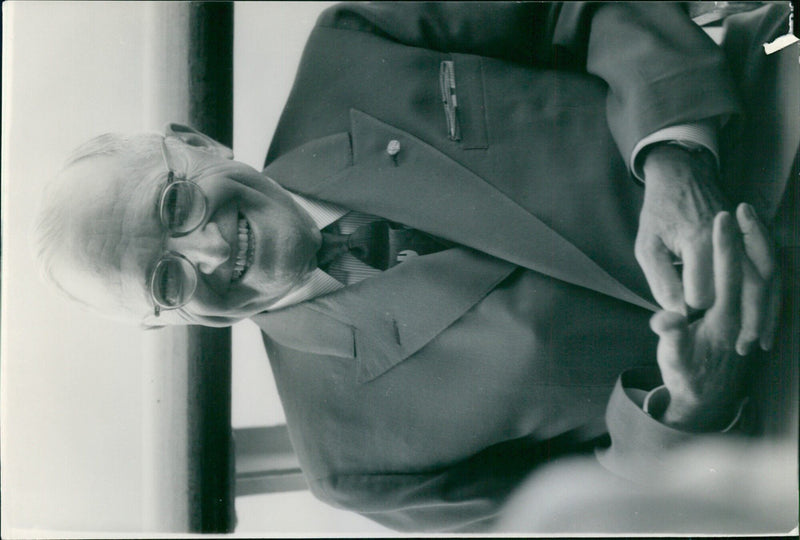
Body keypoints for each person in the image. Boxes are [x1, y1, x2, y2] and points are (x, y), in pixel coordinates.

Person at [34, 2, 797, 532]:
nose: (206, 251)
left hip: (775, 113)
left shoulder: (352, 41)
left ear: (193, 140)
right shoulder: (352, 467)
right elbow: (591, 514)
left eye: (172, 206)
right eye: (165, 279)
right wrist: (692, 408)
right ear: (168, 323)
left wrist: (674, 157)